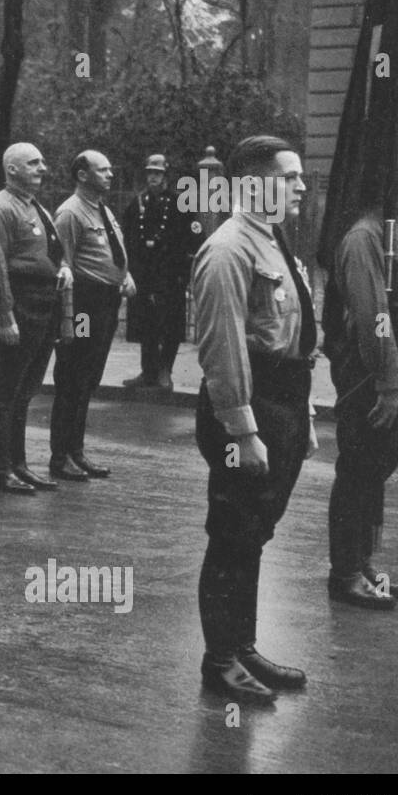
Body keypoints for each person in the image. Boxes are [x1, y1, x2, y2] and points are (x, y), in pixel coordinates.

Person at [192, 134, 316, 703]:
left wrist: (305, 412)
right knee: (232, 536)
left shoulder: (273, 240)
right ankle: (220, 661)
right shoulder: (229, 249)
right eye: (290, 177)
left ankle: (242, 647)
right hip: (250, 409)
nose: (300, 186)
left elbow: (294, 334)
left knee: (254, 536)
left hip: (282, 402)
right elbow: (223, 350)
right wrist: (244, 430)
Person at [324, 131, 398, 609]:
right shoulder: (366, 236)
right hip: (372, 379)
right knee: (357, 472)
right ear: (389, 173)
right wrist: (389, 386)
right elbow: (374, 319)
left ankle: (364, 566)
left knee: (375, 472)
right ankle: (345, 572)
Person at [0, 143, 72, 493]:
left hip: (42, 306)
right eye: (33, 163)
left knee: (24, 392)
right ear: (12, 169)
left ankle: (18, 464)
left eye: (42, 162)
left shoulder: (36, 208)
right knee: (4, 393)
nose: (42, 168)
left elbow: (52, 249)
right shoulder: (0, 209)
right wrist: (4, 318)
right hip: (18, 305)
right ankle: (0, 471)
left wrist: (62, 268)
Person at [50, 150, 134, 481]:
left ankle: (76, 451)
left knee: (88, 378)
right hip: (83, 305)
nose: (110, 175)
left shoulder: (102, 209)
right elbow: (63, 264)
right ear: (83, 175)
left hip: (105, 303)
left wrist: (124, 274)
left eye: (110, 169)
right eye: (103, 170)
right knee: (73, 375)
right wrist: (70, 319)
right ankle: (61, 456)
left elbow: (112, 251)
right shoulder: (70, 213)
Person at [122, 154, 202, 391]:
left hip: (170, 276)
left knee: (170, 326)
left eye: (157, 173)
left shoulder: (180, 203)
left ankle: (165, 370)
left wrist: (184, 274)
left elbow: (194, 240)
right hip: (144, 274)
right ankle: (148, 371)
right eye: (150, 173)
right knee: (146, 324)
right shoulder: (138, 203)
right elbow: (127, 236)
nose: (153, 177)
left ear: (166, 176)